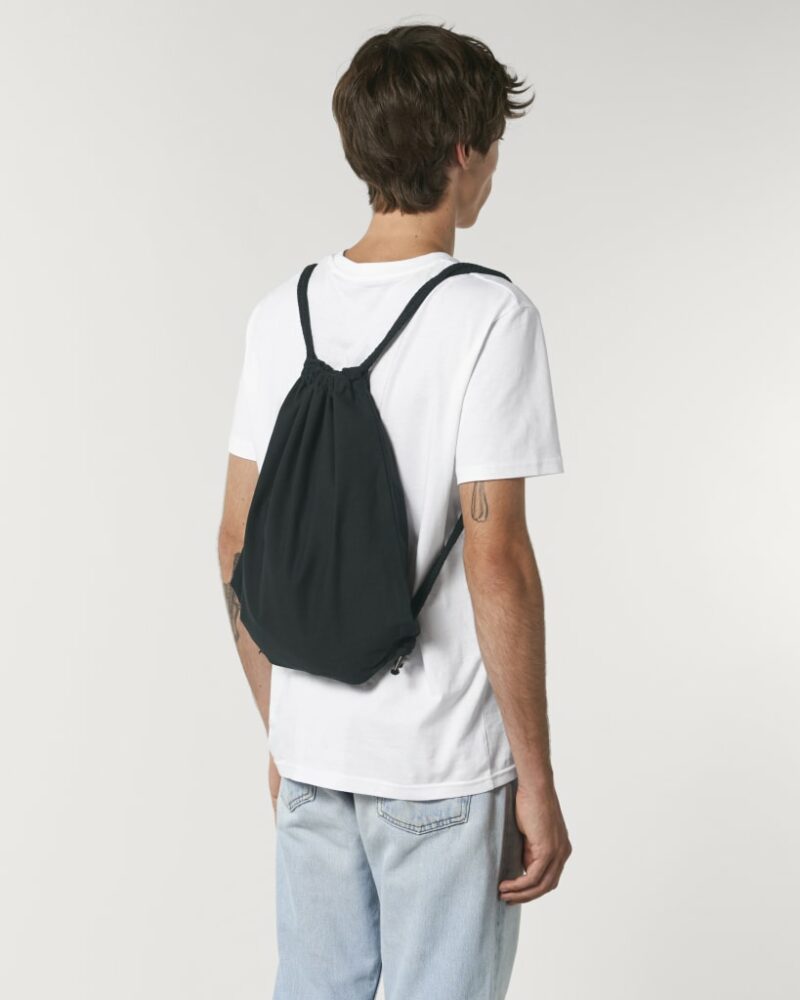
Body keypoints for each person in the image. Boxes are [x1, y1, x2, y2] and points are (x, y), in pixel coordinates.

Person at [217, 22, 572, 1000]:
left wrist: (284, 730)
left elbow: (236, 541)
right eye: (491, 147)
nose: (491, 169)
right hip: (441, 765)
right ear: (462, 153)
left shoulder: (280, 311)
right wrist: (536, 780)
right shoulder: (489, 315)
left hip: (313, 756)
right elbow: (497, 559)